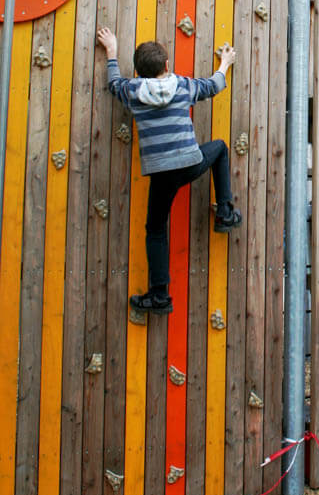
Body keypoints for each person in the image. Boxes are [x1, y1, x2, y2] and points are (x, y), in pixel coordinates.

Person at [96, 26, 242, 315]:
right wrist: (225, 63)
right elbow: (213, 86)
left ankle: (160, 295)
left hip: (162, 173)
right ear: (166, 65)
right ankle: (225, 211)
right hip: (190, 163)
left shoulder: (133, 90)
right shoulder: (183, 86)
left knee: (156, 230)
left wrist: (111, 50)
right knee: (220, 148)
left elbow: (113, 83)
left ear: (138, 72)